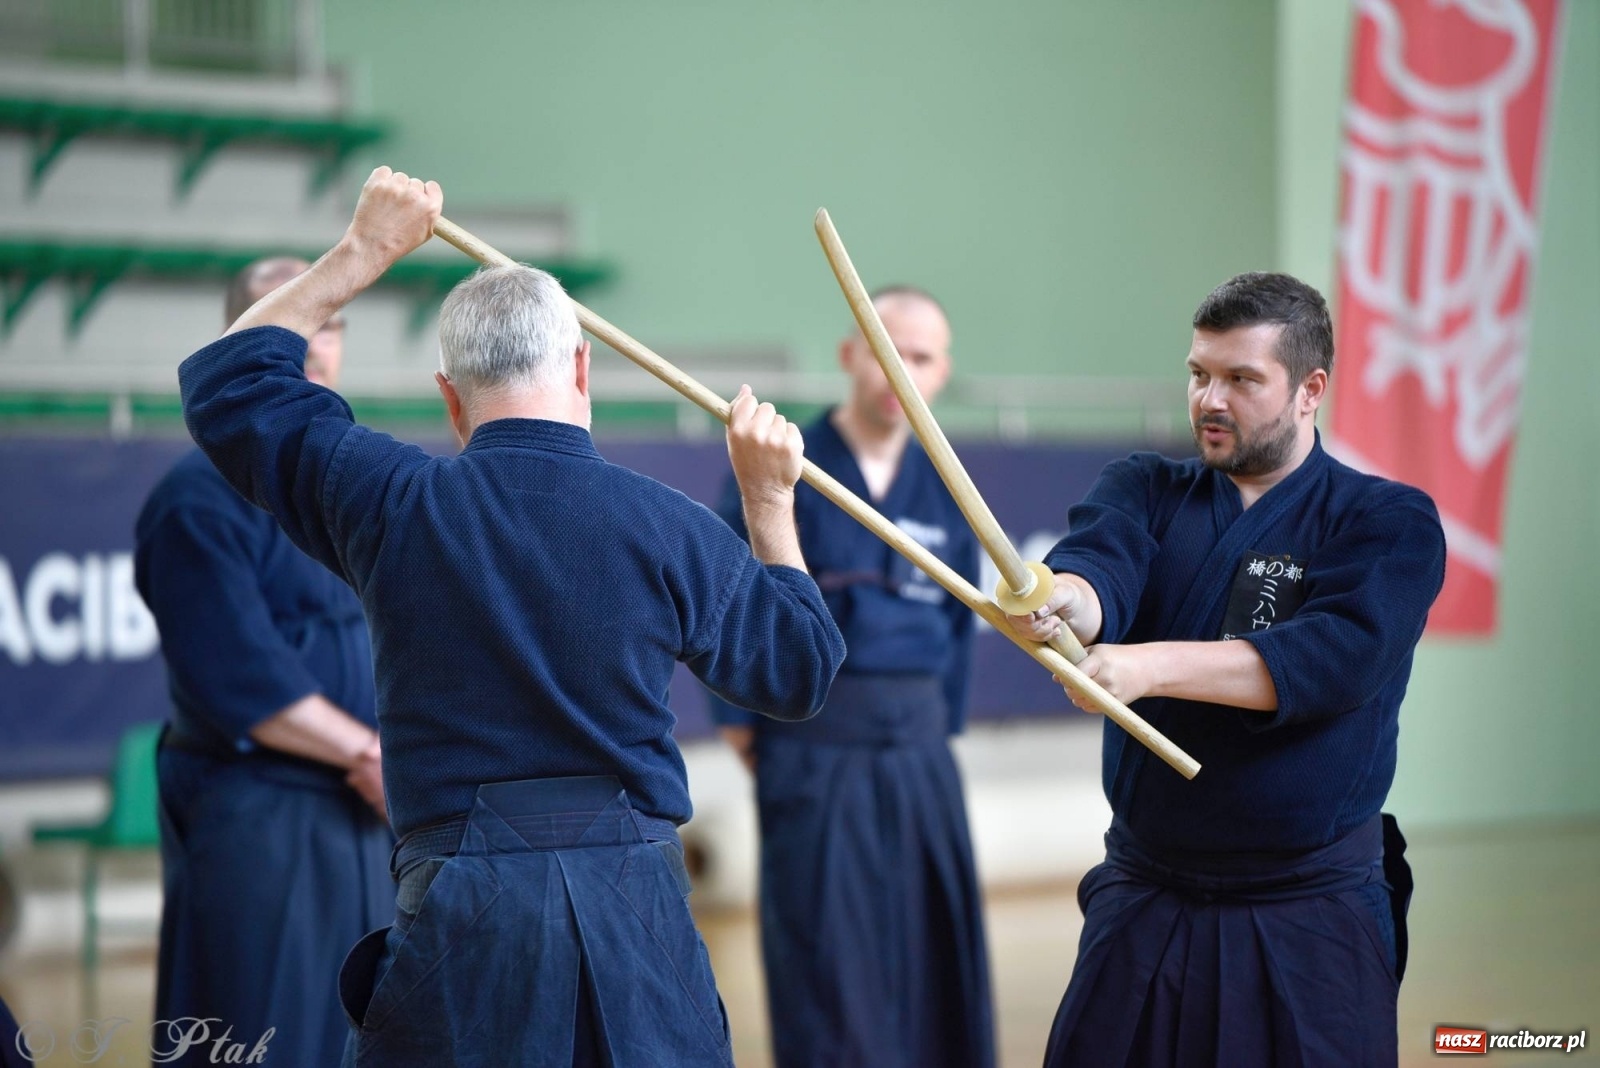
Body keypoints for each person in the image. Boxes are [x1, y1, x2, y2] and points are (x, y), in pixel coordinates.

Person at [176, 167, 846, 1067]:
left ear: (449, 396)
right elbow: (801, 668)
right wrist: (768, 501)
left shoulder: (393, 504)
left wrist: (364, 249)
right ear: (581, 366)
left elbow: (228, 380)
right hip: (637, 915)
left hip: (461, 920)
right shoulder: (669, 525)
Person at [1006, 272, 1446, 1067]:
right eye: (1199, 374)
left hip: (1308, 913)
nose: (1210, 399)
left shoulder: (1387, 520)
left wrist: (1148, 667)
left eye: (1242, 379)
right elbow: (1100, 570)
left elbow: (1335, 657)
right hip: (1147, 899)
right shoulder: (1145, 487)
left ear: (1310, 390)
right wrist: (1064, 601)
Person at [710, 287, 994, 1068]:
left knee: (932, 946)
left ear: (943, 373)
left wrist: (938, 731)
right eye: (885, 351)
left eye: (921, 358)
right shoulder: (783, 465)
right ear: (848, 355)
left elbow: (960, 627)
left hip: (920, 750)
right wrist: (742, 724)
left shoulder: (948, 483)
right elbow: (729, 599)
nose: (902, 373)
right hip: (814, 744)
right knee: (827, 956)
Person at [134, 258, 391, 1067]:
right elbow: (239, 677)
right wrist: (367, 753)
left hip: (370, 812)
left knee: (373, 1033)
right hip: (263, 817)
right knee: (265, 1035)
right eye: (296, 318)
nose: (317, 341)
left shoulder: (351, 485)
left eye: (331, 321)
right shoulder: (194, 499)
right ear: (241, 338)